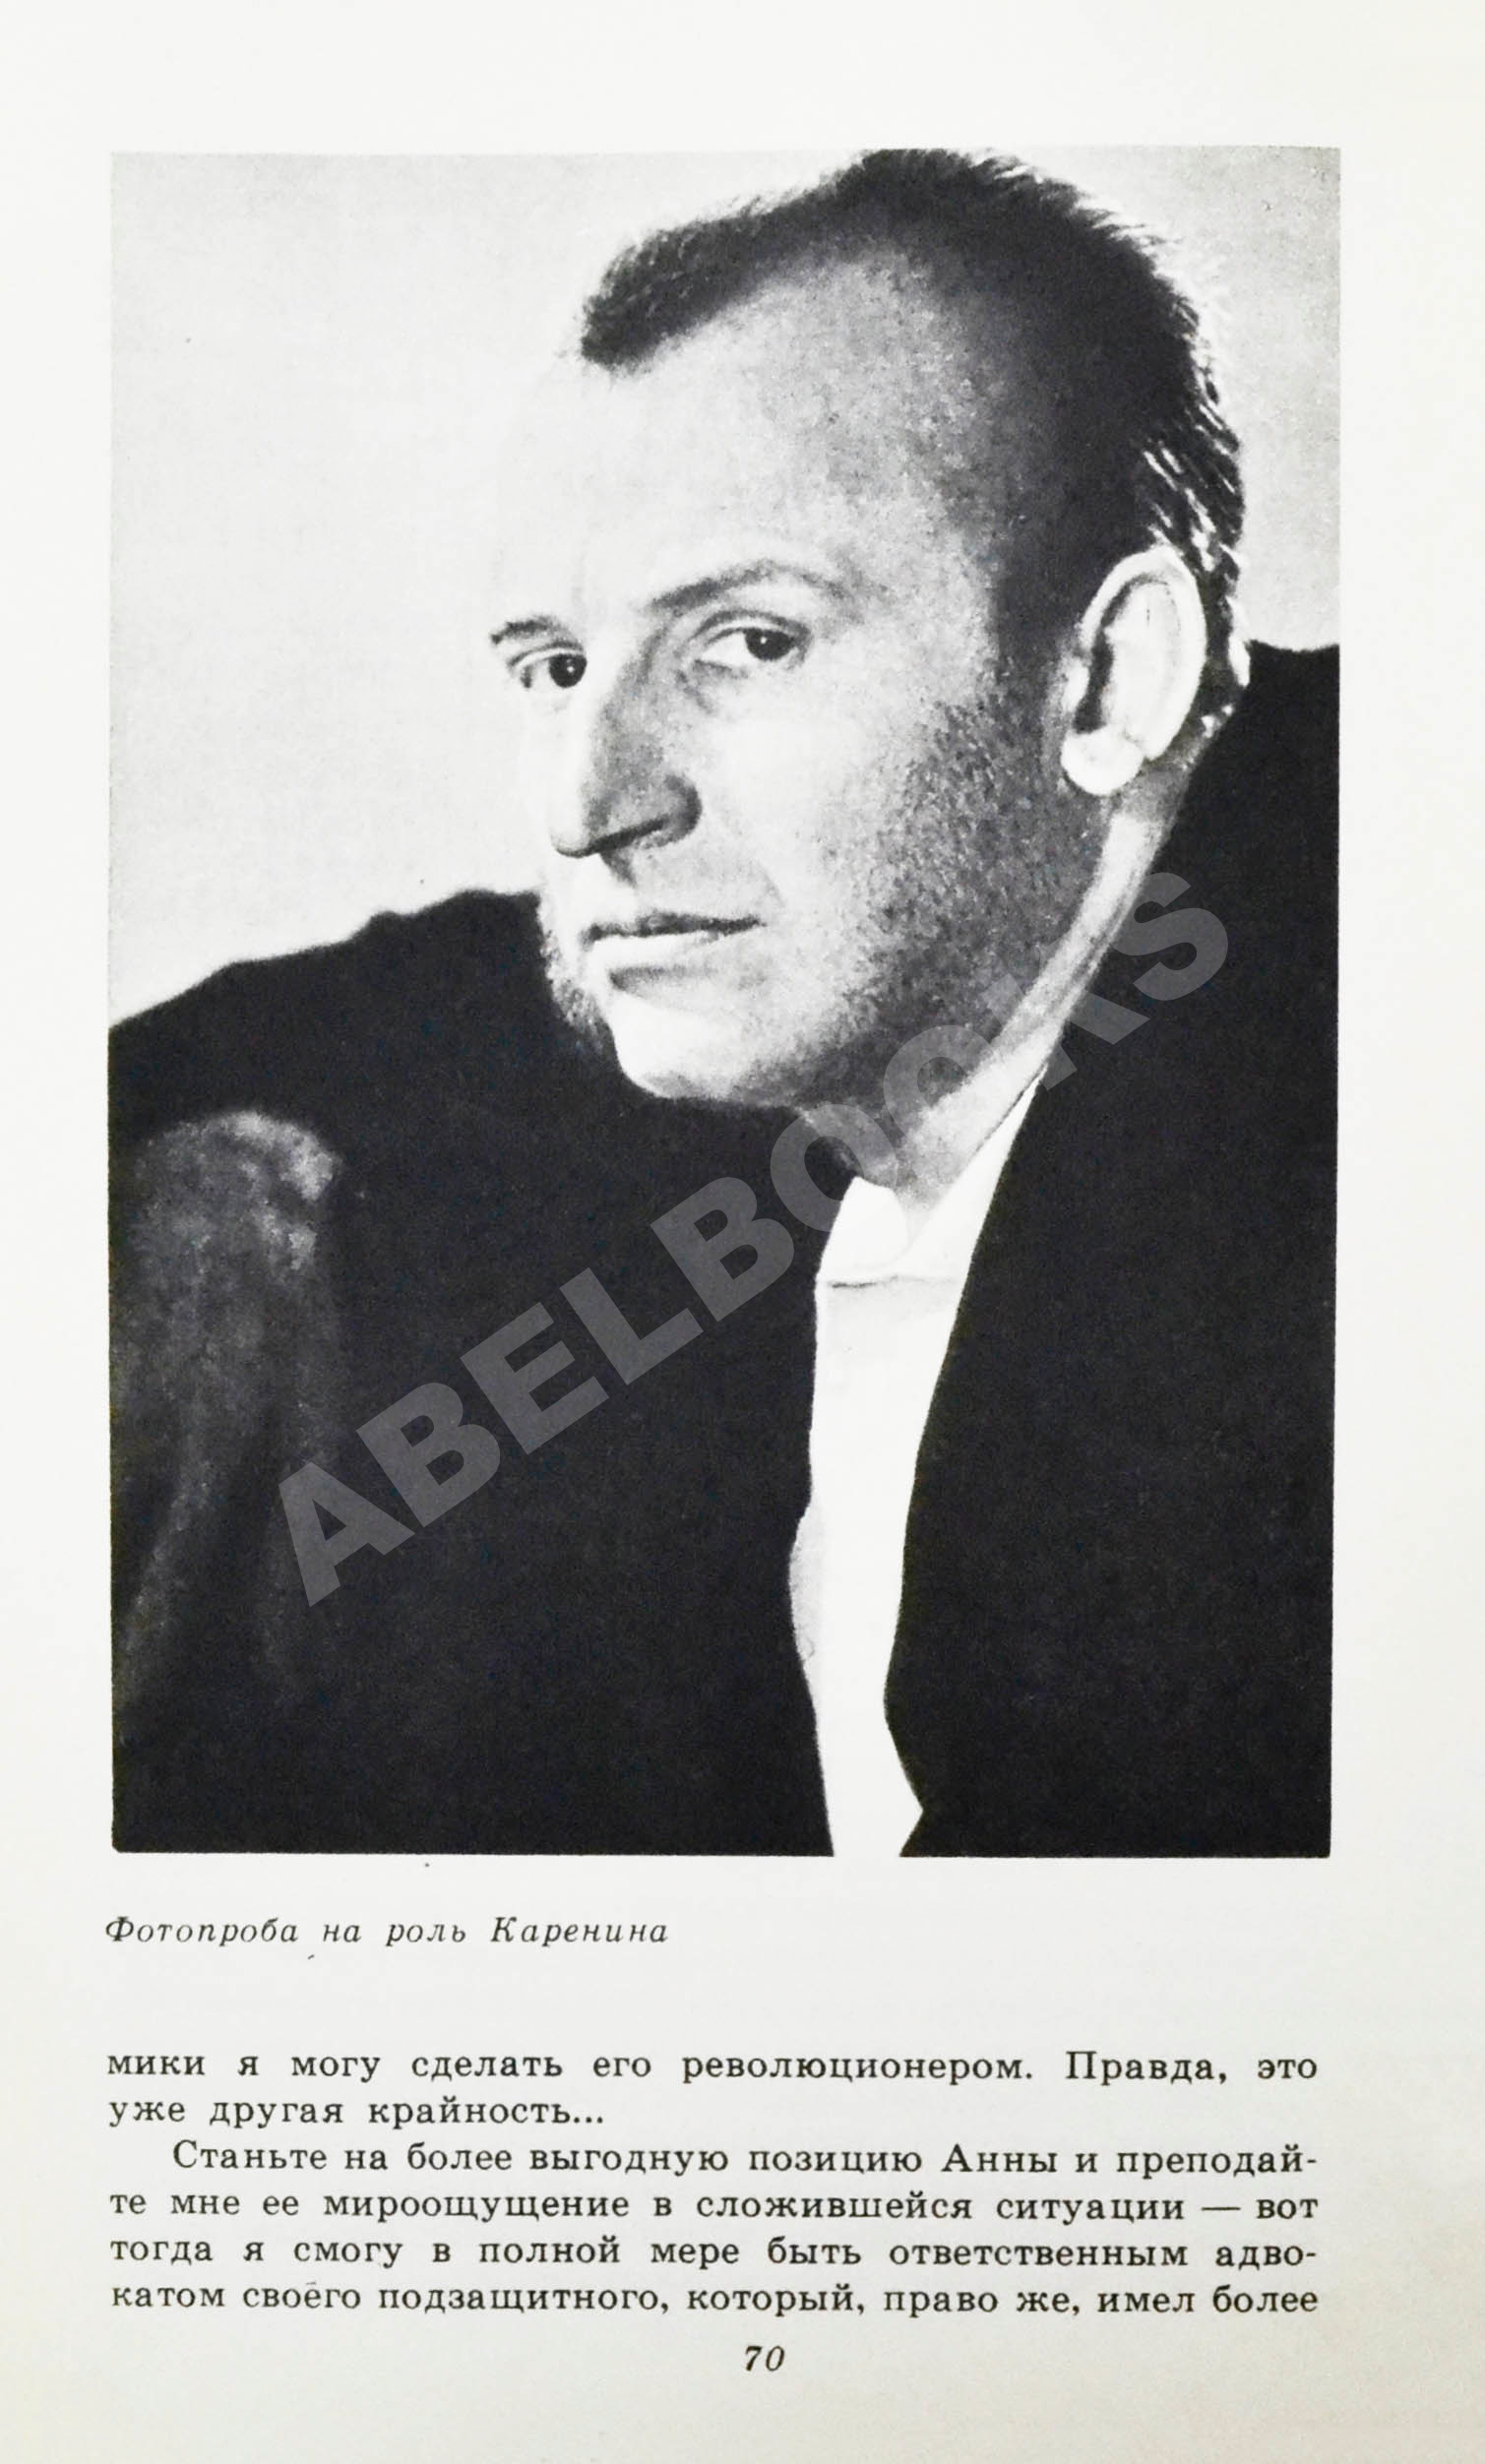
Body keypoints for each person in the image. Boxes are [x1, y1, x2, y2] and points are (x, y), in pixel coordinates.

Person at [112, 151, 1333, 1856]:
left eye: (747, 643)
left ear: (1110, 675)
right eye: (555, 667)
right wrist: (194, 1174)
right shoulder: (866, 1006)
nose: (586, 803)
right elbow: (455, 997)